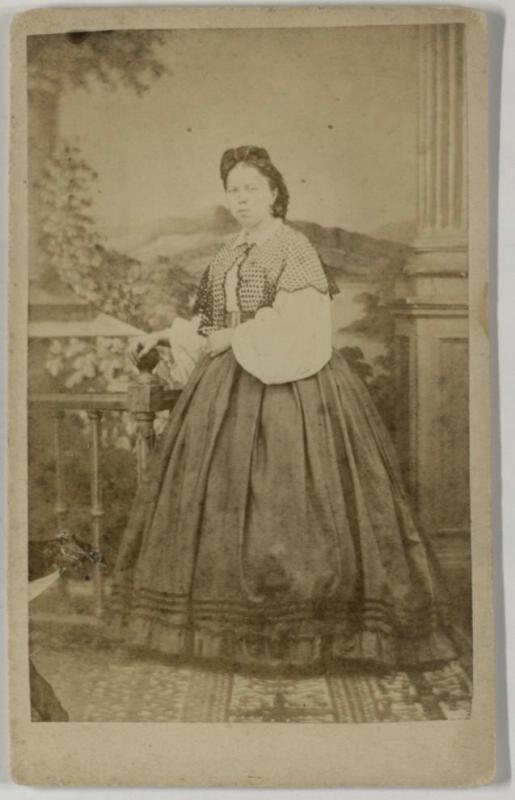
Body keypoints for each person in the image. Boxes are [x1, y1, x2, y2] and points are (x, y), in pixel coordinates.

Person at [110, 145, 460, 673]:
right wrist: (167, 334)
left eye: (252, 189)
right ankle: (214, 632)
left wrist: (236, 337)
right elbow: (210, 325)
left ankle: (309, 634)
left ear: (274, 193)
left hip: (293, 390)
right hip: (224, 390)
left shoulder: (294, 249)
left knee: (292, 503)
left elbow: (303, 325)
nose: (242, 199)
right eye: (234, 190)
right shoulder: (230, 253)